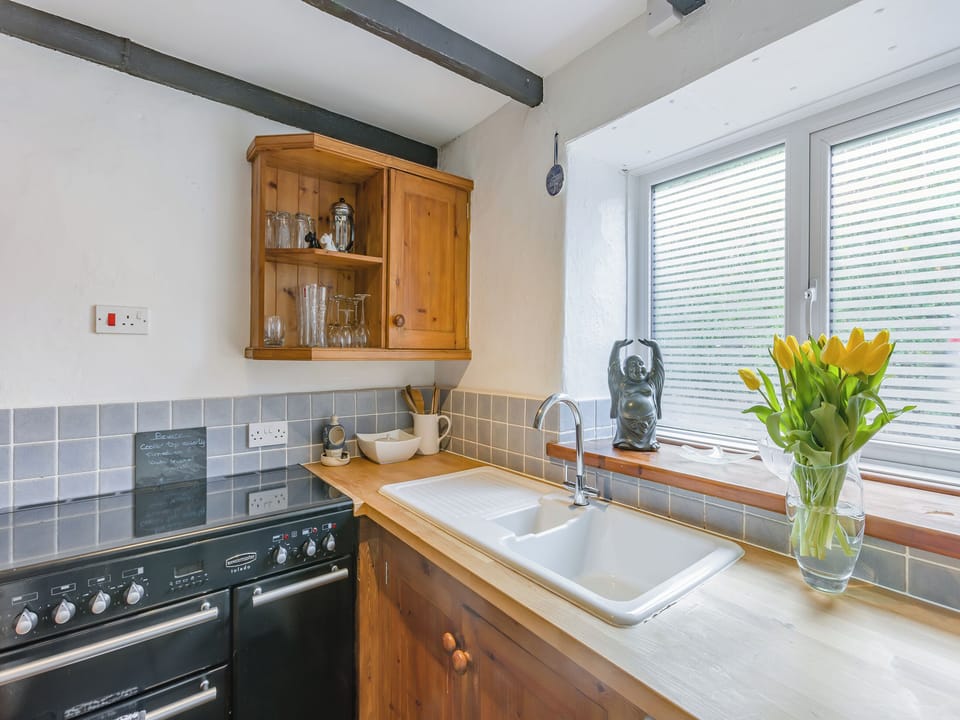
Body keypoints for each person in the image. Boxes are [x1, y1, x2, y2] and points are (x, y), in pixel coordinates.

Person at [608, 338, 664, 451]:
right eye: (633, 365)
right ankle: (625, 440)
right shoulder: (622, 383)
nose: (638, 367)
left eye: (641, 364)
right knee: (626, 442)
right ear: (626, 370)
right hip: (627, 424)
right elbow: (613, 368)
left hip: (648, 421)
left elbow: (659, 368)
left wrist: (655, 347)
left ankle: (650, 442)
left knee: (650, 440)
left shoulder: (650, 383)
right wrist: (616, 348)